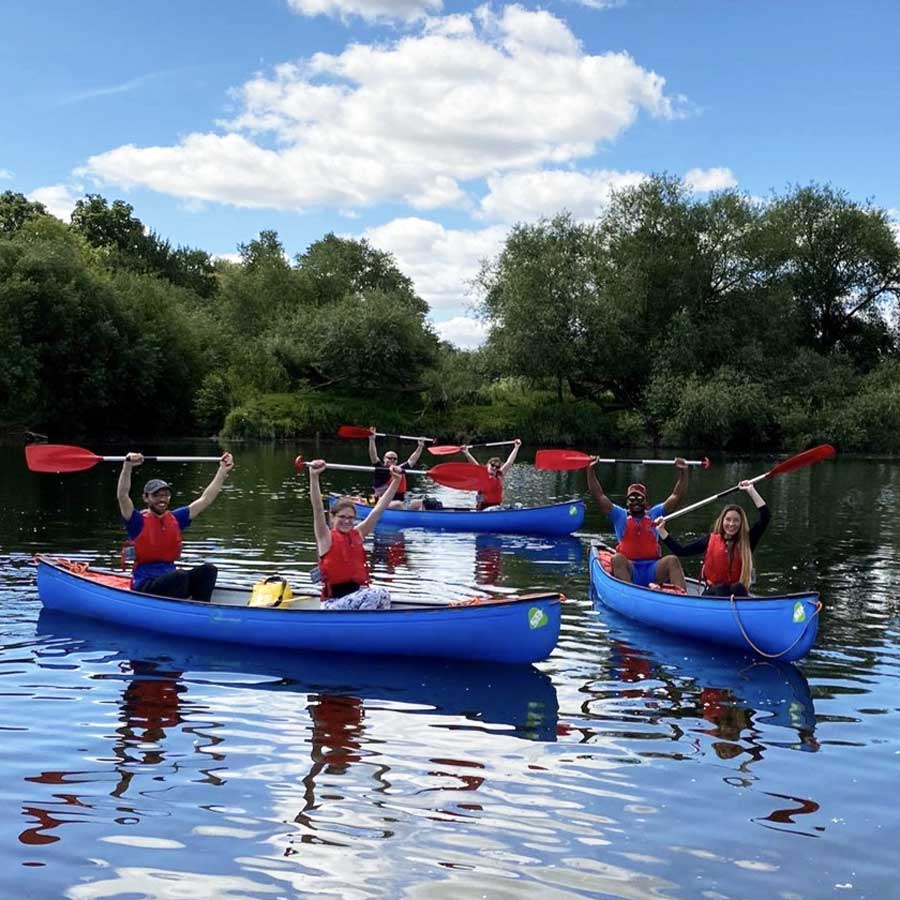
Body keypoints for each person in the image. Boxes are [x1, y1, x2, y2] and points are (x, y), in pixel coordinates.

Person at [117, 451, 235, 601]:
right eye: (156, 495)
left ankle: (201, 607)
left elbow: (205, 499)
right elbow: (122, 496)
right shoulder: (136, 522)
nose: (162, 499)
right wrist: (127, 465)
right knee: (179, 576)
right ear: (146, 498)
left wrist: (222, 471)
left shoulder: (176, 519)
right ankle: (180, 610)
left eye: (165, 495)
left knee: (208, 570)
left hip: (171, 581)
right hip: (146, 584)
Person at [308, 458, 404, 609]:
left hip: (354, 598)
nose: (347, 521)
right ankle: (363, 622)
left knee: (384, 594)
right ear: (332, 518)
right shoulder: (325, 537)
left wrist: (396, 481)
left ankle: (372, 622)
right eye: (342, 517)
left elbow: (379, 509)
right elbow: (318, 508)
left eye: (350, 518)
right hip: (332, 604)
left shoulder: (358, 533)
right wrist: (314, 476)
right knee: (374, 594)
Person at [587, 459, 689, 589]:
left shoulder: (654, 514)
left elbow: (676, 496)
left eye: (640, 498)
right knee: (617, 559)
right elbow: (599, 496)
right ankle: (628, 592)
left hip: (652, 569)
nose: (636, 502)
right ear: (627, 502)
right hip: (630, 569)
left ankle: (680, 596)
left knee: (672, 561)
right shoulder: (620, 516)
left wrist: (683, 473)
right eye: (632, 498)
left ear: (646, 502)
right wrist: (590, 471)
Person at [655, 481, 770, 596]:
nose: (731, 524)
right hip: (713, 592)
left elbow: (765, 516)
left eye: (736, 521)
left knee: (738, 588)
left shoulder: (747, 541)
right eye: (728, 519)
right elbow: (681, 551)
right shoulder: (710, 540)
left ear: (741, 524)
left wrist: (751, 490)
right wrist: (662, 531)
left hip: (735, 594)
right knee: (722, 589)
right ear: (722, 521)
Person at [368, 430, 426, 510]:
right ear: (384, 459)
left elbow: (411, 461)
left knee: (419, 503)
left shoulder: (400, 469)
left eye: (394, 459)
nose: (392, 460)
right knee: (398, 504)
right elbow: (373, 456)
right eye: (389, 458)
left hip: (400, 503)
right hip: (382, 503)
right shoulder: (380, 468)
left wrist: (420, 446)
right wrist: (372, 440)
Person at [462, 439, 522, 510]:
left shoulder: (499, 474)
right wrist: (467, 453)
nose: (494, 468)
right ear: (488, 465)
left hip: (497, 507)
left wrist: (516, 447)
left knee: (518, 505)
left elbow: (509, 462)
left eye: (497, 467)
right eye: (492, 465)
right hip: (484, 508)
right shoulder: (482, 475)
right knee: (494, 509)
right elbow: (475, 464)